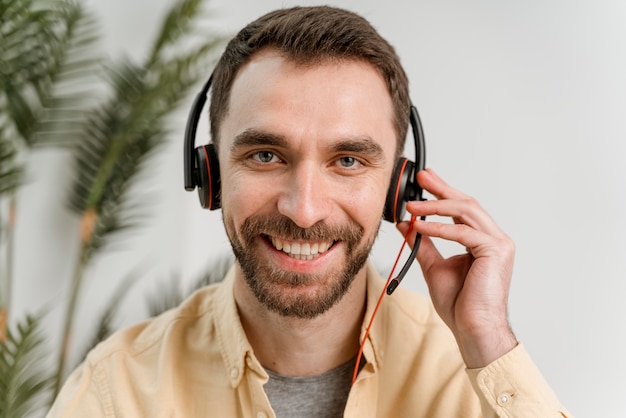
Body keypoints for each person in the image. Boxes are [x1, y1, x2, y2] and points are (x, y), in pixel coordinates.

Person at [49, 6, 572, 417]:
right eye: (266, 155)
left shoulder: (469, 372)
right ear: (210, 173)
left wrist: (487, 338)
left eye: (347, 160)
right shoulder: (118, 387)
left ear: (399, 187)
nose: (304, 210)